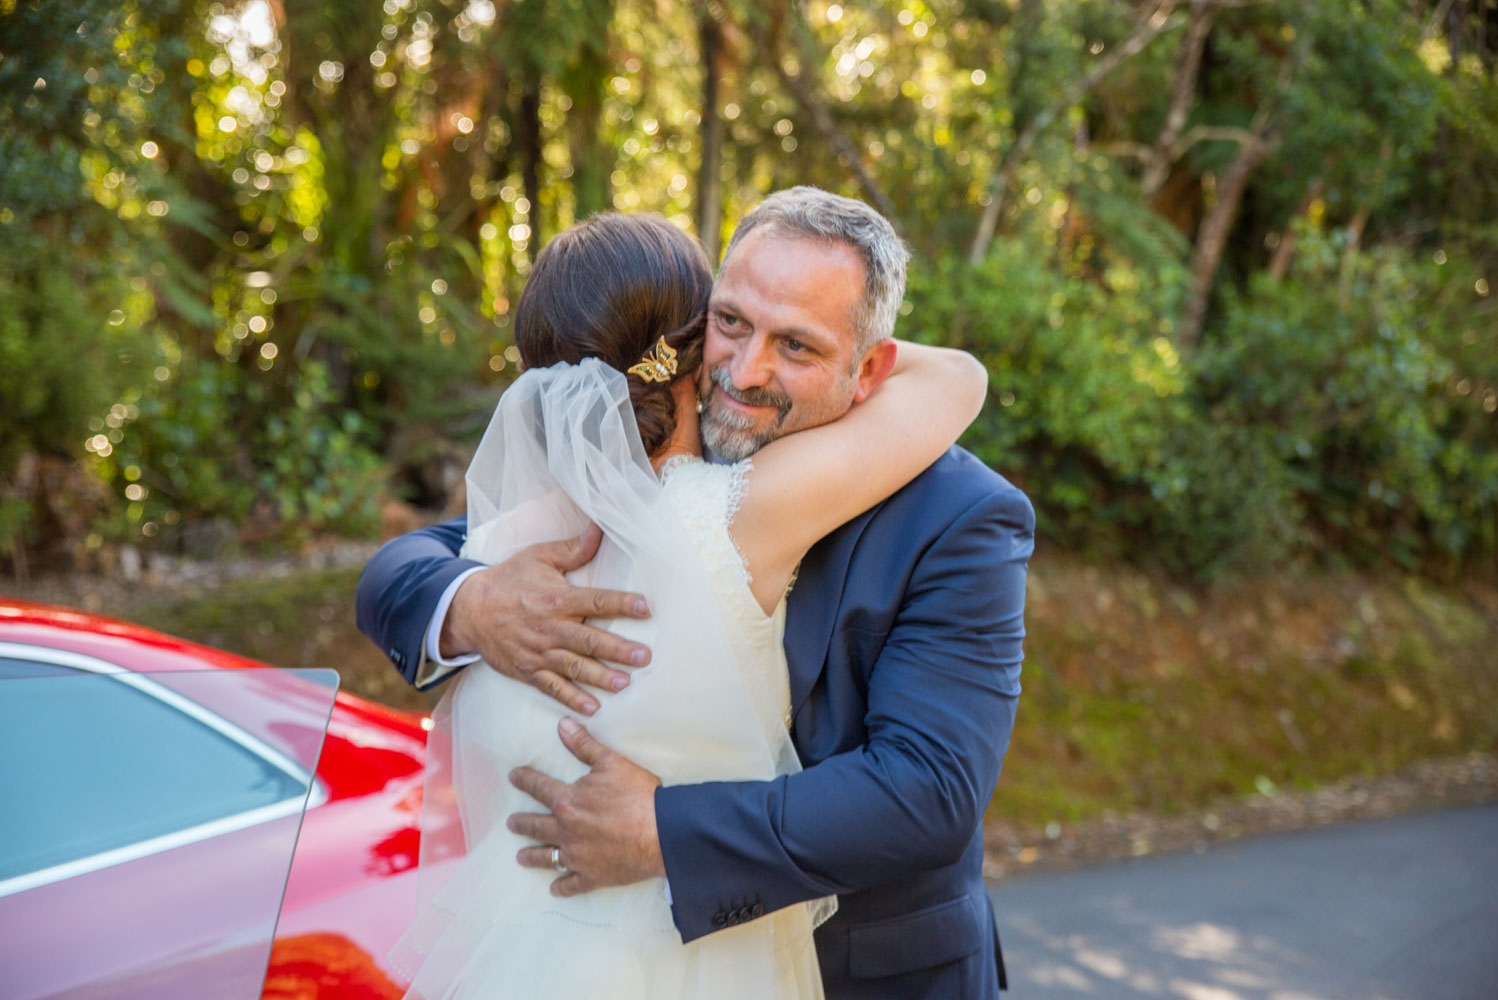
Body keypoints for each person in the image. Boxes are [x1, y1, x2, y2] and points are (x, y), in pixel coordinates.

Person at [357, 187, 1034, 999]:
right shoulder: (611, 487)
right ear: (686, 330)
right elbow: (404, 568)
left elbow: (928, 790)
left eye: (798, 345)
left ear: (872, 369)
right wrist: (467, 606)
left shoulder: (958, 513)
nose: (746, 373)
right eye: (733, 322)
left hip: (870, 975)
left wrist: (665, 834)